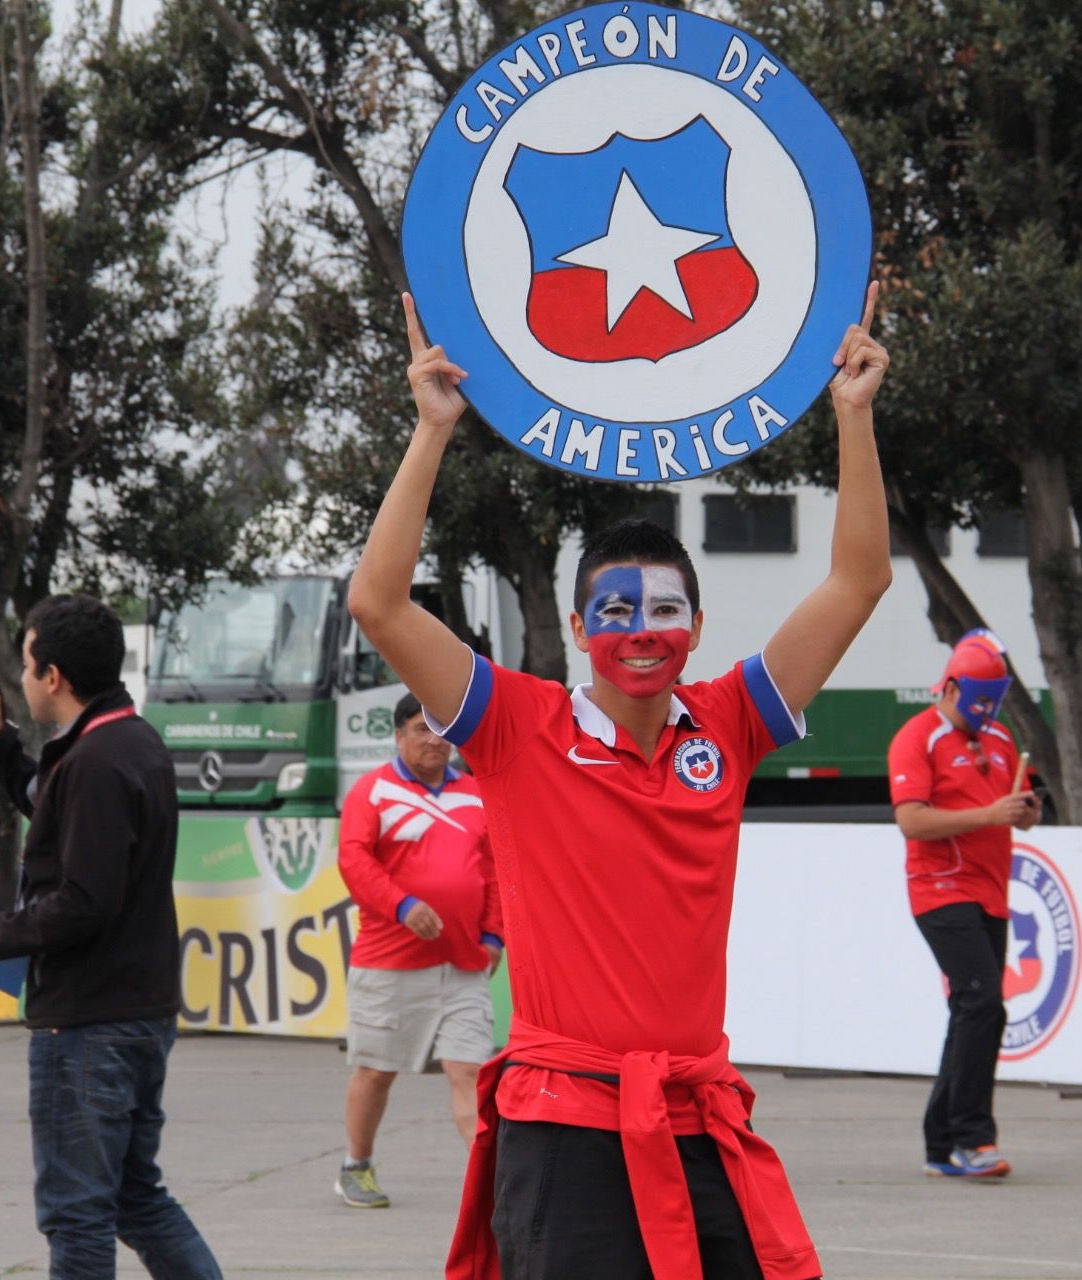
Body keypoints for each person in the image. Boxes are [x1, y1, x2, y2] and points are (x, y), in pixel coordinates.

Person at [350, 288, 890, 1279]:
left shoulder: (729, 721)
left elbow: (858, 582)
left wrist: (853, 417)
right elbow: (378, 602)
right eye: (615, 609)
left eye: (665, 608)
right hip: (562, 1127)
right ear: (580, 623)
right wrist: (431, 431)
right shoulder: (515, 723)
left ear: (696, 623)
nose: (641, 627)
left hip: (696, 1113)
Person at [0, 595, 221, 1279]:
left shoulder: (98, 759)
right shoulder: (124, 741)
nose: (24, 679)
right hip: (134, 1008)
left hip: (93, 1023)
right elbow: (52, 807)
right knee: (133, 1198)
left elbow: (86, 900)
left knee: (78, 1214)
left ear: (54, 675)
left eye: (28, 665)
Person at [333, 692, 501, 1209]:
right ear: (399, 736)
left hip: (464, 965)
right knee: (376, 1071)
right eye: (419, 729)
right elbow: (354, 862)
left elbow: (496, 870)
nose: (433, 740)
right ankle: (356, 1165)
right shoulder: (373, 791)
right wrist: (402, 906)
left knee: (469, 1073)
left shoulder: (477, 793)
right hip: (390, 963)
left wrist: (495, 936)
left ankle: (493, 1187)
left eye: (442, 730)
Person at [889, 629, 1039, 1178]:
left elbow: (1011, 809)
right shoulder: (917, 737)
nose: (984, 712)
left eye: (992, 702)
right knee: (983, 1004)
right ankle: (973, 1138)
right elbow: (911, 820)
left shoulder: (998, 738)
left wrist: (1023, 813)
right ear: (949, 688)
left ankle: (940, 1143)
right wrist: (989, 815)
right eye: (976, 701)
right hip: (939, 890)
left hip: (991, 893)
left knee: (970, 1011)